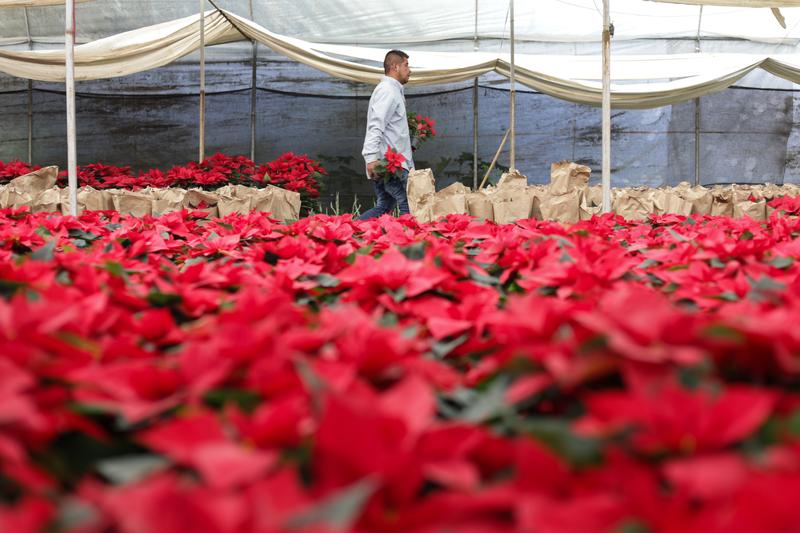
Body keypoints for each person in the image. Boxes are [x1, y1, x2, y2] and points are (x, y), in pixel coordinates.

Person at [358, 49, 414, 220]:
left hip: (389, 163)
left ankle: (351, 232)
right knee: (408, 205)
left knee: (384, 206)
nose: (409, 70)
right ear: (394, 67)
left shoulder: (392, 90)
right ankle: (407, 242)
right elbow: (376, 124)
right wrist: (371, 158)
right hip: (390, 166)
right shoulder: (388, 90)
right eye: (406, 65)